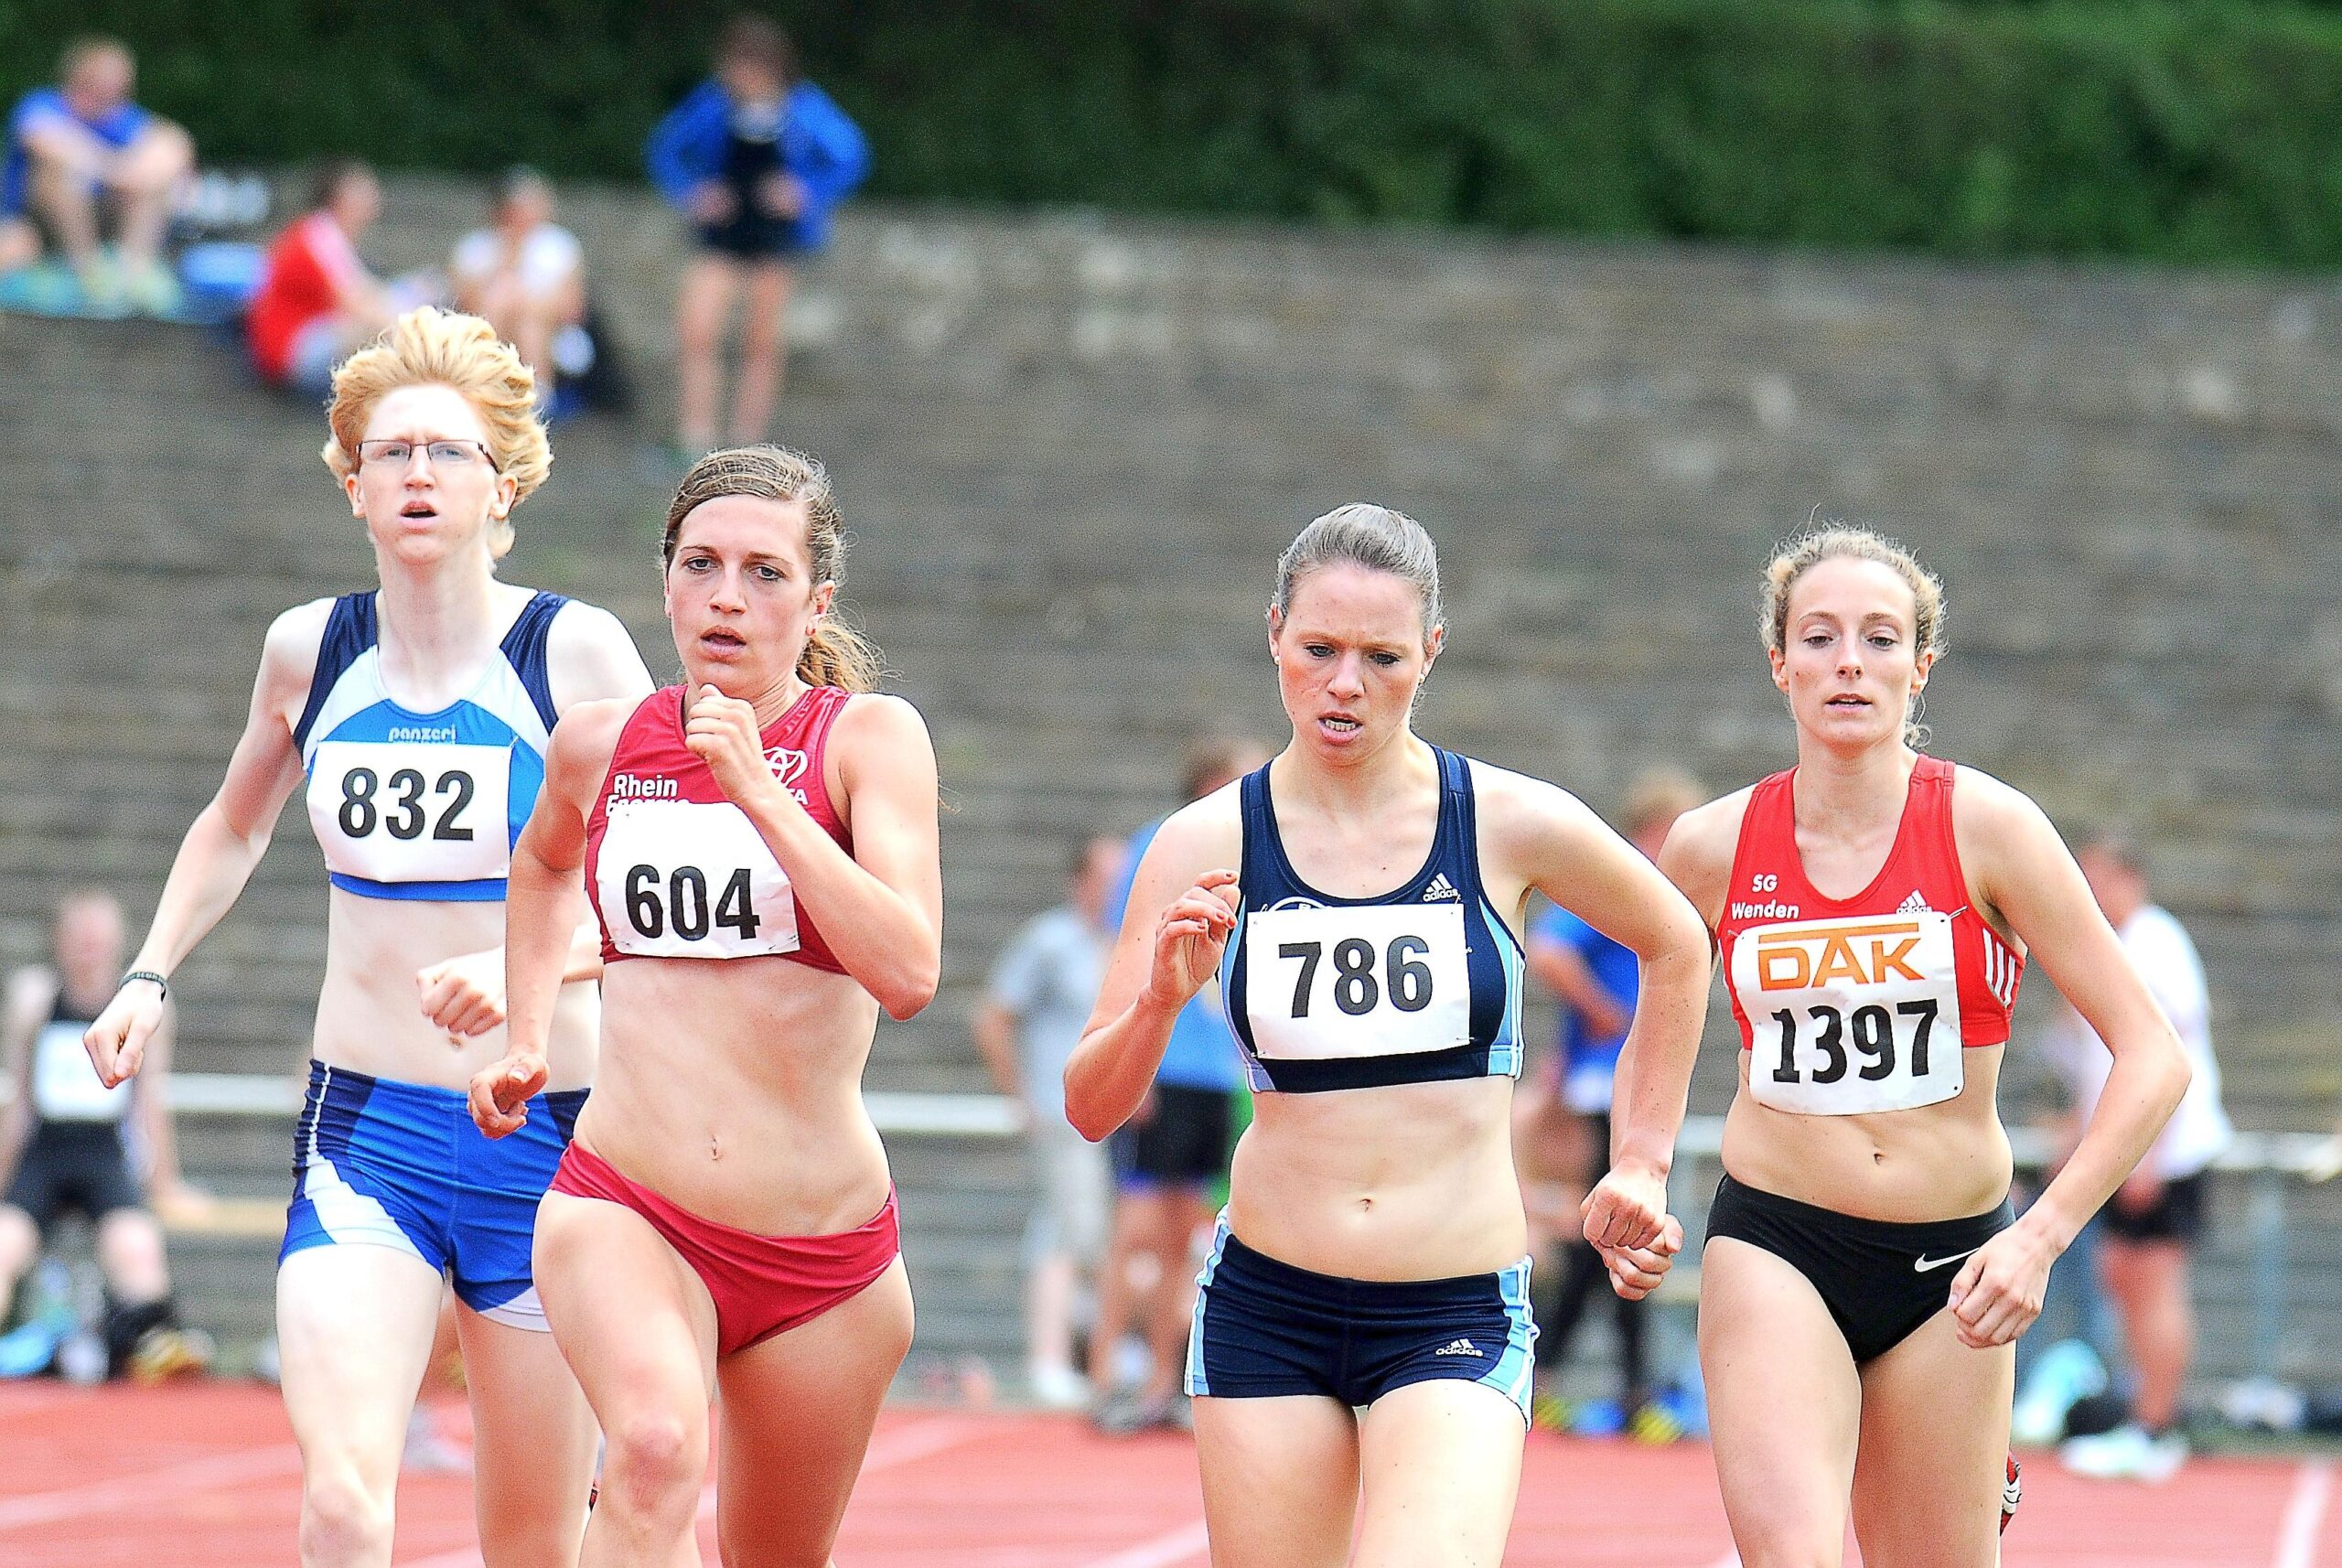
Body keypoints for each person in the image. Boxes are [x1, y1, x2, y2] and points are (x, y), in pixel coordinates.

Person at [81, 306, 654, 1568]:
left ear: (501, 487)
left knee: (532, 1542)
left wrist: (528, 967)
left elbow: (660, 891)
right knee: (343, 1504)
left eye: (446, 453)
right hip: (367, 1132)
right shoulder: (311, 650)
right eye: (390, 453)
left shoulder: (573, 651)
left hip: (549, 1135)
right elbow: (230, 826)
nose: (416, 475)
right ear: (352, 485)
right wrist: (148, 973)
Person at [1065, 504, 1708, 1567]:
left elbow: (1677, 944)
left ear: (1433, 652)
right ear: (1274, 632)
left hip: (1452, 1303)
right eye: (1318, 650)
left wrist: (1641, 1158)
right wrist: (1155, 1006)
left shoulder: (1505, 818)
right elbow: (1090, 1102)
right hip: (1269, 1300)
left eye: (1382, 656)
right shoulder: (1203, 840)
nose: (1344, 685)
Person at [1654, 527, 2193, 1565]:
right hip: (1776, 1240)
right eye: (1818, 637)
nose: (1848, 660)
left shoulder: (1992, 827)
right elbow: (1649, 1013)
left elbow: (2151, 1052)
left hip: (1954, 1267)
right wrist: (1637, 1160)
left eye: (1878, 637)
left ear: (1919, 664)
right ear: (1780, 663)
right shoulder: (1710, 846)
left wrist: (2038, 1238)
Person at [470, 446, 941, 1566]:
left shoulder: (867, 743)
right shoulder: (600, 741)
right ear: (666, 583)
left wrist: (760, 794)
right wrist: (526, 1032)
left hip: (822, 1256)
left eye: (765, 573)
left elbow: (909, 969)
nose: (729, 596)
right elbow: (538, 868)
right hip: (630, 1202)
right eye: (702, 565)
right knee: (649, 1449)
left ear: (815, 599)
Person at [1088, 737, 1266, 1434]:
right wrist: (1131, 1067)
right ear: (1211, 781)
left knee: (1178, 1237)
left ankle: (1164, 1382)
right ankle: (1105, 1379)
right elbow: (1119, 957)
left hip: (1215, 1075)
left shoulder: (1253, 854)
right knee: (1132, 1232)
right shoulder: (1157, 848)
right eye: (1242, 776)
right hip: (1158, 1068)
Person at [1518, 767, 1702, 1434]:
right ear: (1652, 832)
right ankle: (1629, 1387)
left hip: (1630, 1079)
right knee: (1622, 1229)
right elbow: (1547, 949)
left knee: (1612, 1237)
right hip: (1606, 1082)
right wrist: (1605, 1012)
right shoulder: (1617, 881)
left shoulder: (1659, 894)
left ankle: (1564, 1374)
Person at [2048, 832, 2230, 1483]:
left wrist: (2147, 1155)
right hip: (2127, 1147)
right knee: (2120, 1275)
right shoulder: (2106, 949)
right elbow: (2093, 1069)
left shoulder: (2158, 945)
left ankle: (2156, 1426)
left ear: (2129, 879)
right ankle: (2142, 1414)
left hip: (2166, 1150)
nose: (2088, 892)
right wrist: (2075, 1147)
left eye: (2097, 878)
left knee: (2153, 1282)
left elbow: (2170, 1055)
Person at [0, 889, 209, 1380]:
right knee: (3, 1246)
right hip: (43, 1155)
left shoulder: (143, 1004)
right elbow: (20, 1101)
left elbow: (150, 1103)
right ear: (61, 942)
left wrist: (164, 1184)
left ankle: (151, 1345)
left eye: (100, 939)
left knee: (137, 1248)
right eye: (81, 938)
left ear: (118, 944)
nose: (90, 949)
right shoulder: (35, 997)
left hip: (104, 1157)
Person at [646, 15, 869, 456]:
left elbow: (851, 155)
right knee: (697, 330)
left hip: (774, 237)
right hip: (720, 233)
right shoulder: (714, 104)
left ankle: (747, 443)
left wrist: (806, 193)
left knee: (761, 340)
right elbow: (664, 148)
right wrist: (693, 193)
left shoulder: (803, 108)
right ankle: (696, 436)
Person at [974, 834, 1123, 1410]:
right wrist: (1022, 1096)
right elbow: (994, 1014)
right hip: (1063, 1110)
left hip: (1112, 1113)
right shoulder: (1051, 940)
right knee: (1068, 1228)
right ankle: (1049, 1358)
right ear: (1081, 881)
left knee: (1091, 1230)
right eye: (1106, 874)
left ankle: (1085, 1351)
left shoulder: (1117, 943)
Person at [0, 35, 193, 313]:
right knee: (57, 176)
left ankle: (134, 271)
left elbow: (174, 144)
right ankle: (87, 271)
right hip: (34, 225)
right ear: (82, 75)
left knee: (154, 186)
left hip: (107, 223)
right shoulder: (42, 104)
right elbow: (45, 141)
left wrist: (136, 174)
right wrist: (115, 170)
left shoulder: (122, 118)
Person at [247, 159, 396, 397]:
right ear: (340, 197)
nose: (373, 195)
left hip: (306, 340)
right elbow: (355, 304)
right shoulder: (317, 238)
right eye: (362, 189)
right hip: (290, 353)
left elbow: (368, 293)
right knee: (373, 329)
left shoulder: (327, 236)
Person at [450, 167, 587, 408]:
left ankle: (534, 398)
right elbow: (466, 307)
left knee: (528, 323)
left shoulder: (559, 247)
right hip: (494, 323)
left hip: (548, 328)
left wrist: (526, 305)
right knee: (502, 306)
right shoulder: (475, 248)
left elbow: (573, 310)